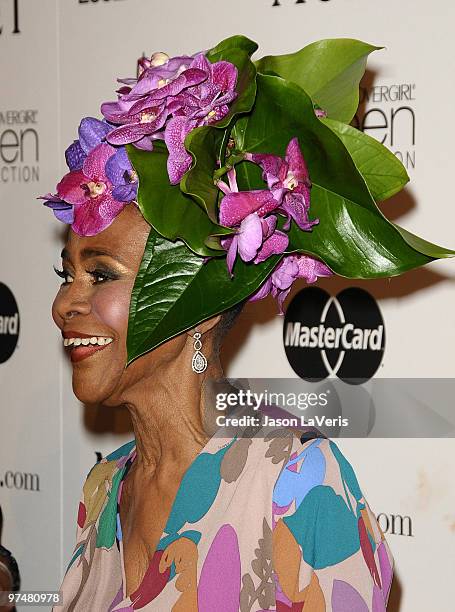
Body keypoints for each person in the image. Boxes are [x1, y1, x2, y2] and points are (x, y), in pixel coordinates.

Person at [42, 34, 449, 611]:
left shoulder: (293, 484)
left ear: (195, 306)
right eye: (66, 274)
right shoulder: (103, 487)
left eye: (101, 275)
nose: (63, 305)